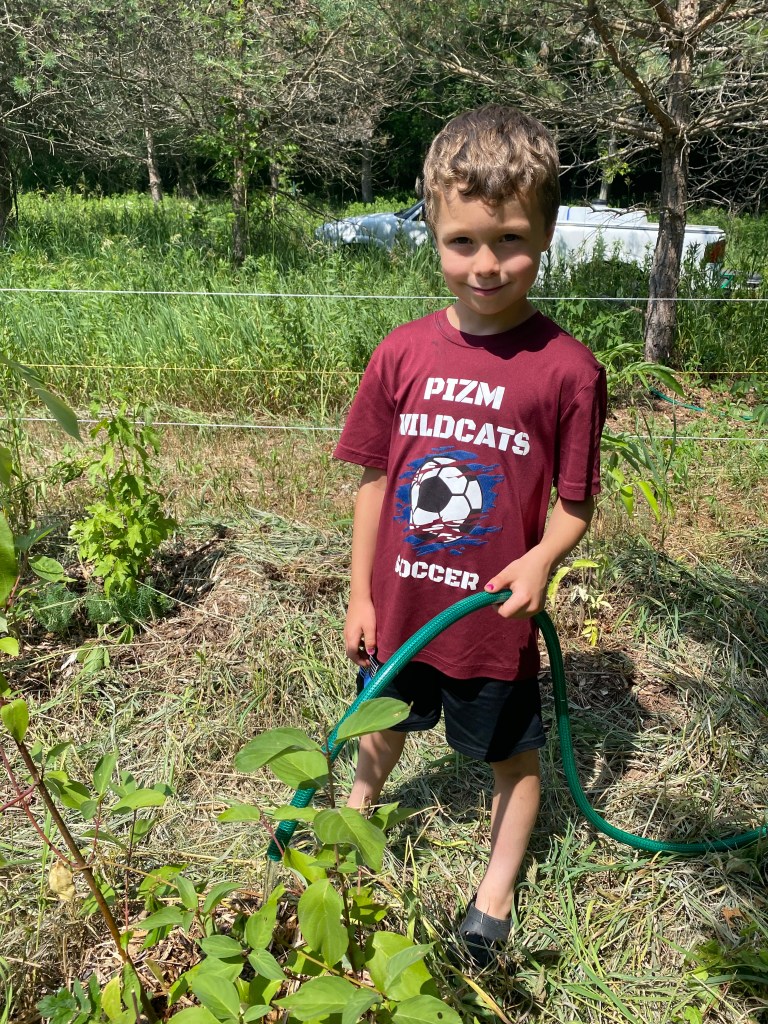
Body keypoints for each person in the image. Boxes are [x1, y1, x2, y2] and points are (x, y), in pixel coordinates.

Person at [333, 104, 607, 968]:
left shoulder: (568, 369)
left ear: (549, 233)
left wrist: (539, 560)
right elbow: (375, 480)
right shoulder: (402, 353)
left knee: (510, 757)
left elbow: (573, 505)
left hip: (490, 621)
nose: (485, 266)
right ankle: (355, 814)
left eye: (511, 240)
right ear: (434, 234)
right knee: (382, 718)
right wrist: (360, 592)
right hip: (405, 602)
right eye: (461, 242)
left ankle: (493, 894)